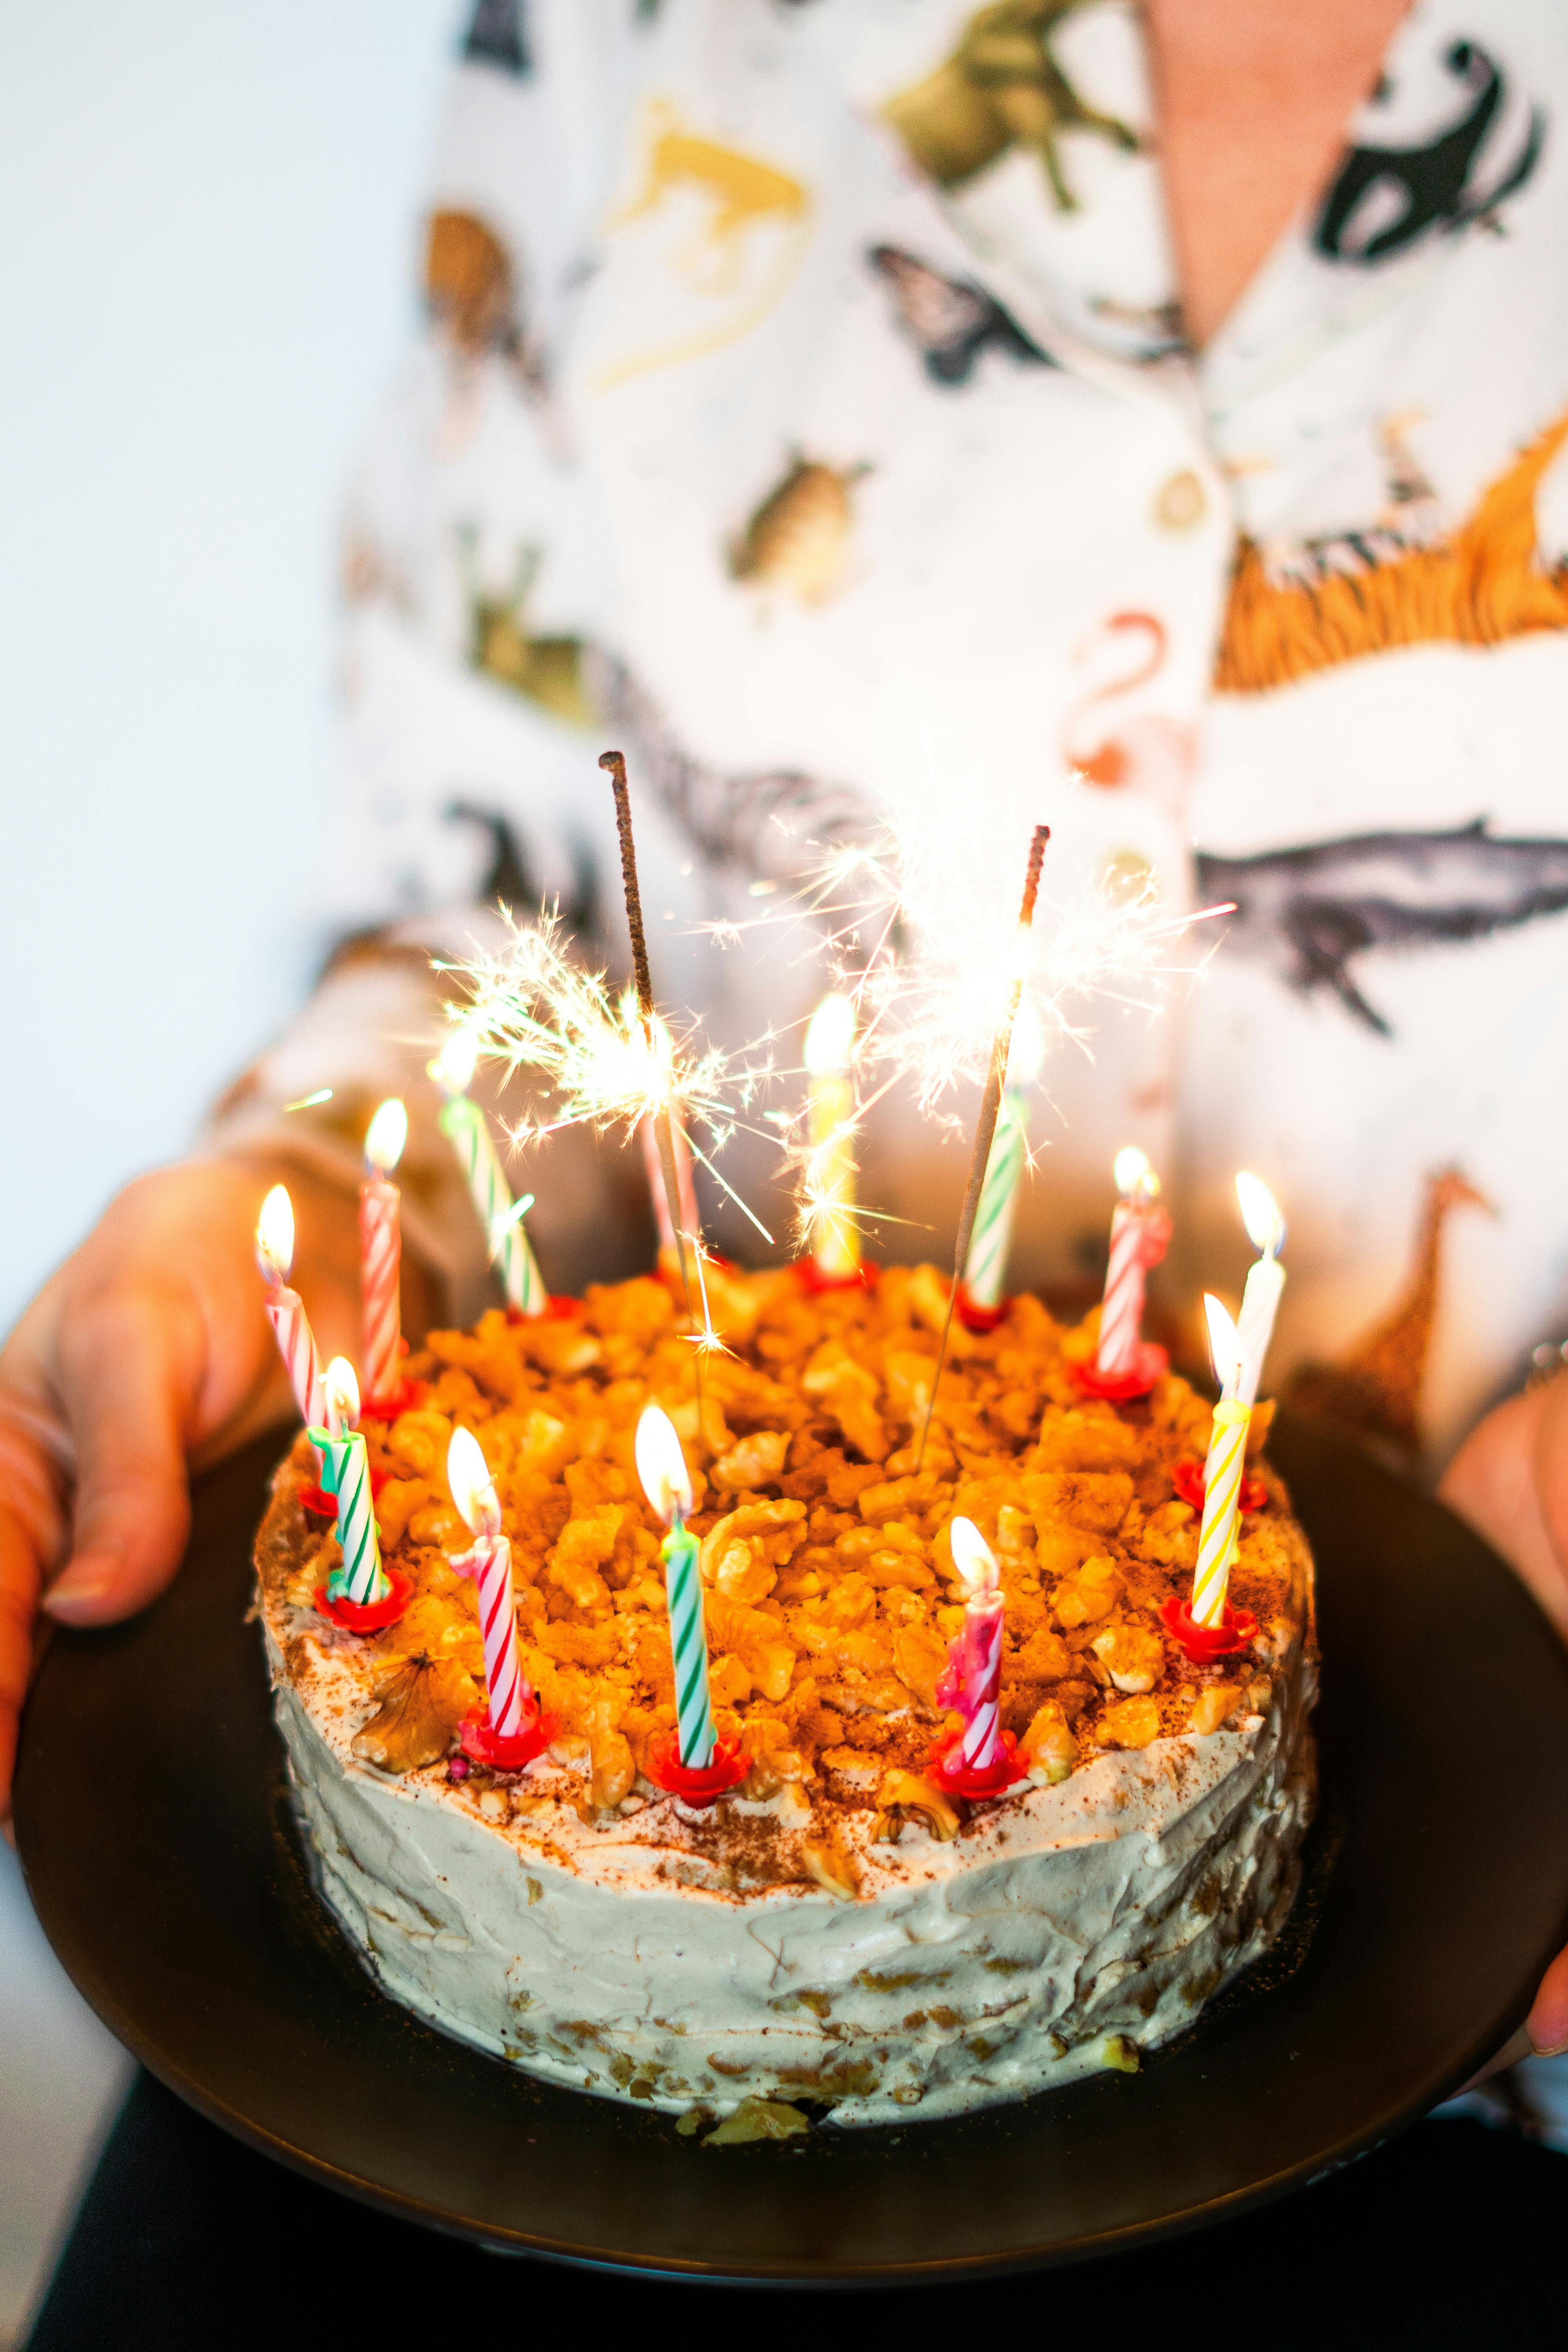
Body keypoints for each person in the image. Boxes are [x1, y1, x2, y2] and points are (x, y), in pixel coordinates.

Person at [4, 0, 1568, 2171]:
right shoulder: (622, 39)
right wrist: (281, 1200)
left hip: (1488, 2085)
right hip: (424, 2149)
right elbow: (500, 925)